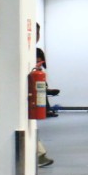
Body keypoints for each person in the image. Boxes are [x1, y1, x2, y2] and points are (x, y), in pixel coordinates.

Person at [35, 23, 54, 167]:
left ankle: (39, 154)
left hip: (34, 89)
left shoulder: (35, 51)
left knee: (30, 125)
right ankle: (39, 154)